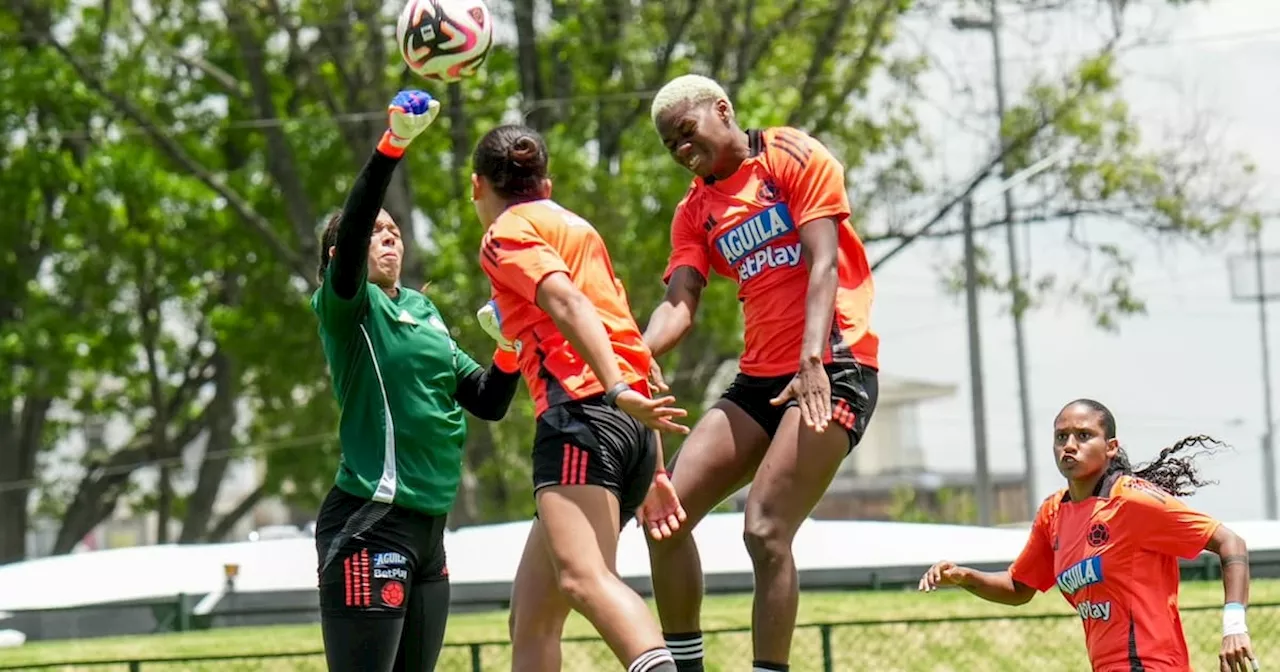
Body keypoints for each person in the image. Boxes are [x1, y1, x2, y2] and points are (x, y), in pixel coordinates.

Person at [641, 74, 881, 672]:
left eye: (686, 131)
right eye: (670, 143)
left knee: (764, 531)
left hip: (832, 365)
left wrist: (812, 360)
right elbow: (680, 303)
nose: (680, 149)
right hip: (760, 380)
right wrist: (631, 355)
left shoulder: (790, 154)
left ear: (721, 110)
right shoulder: (694, 210)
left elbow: (824, 261)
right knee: (664, 517)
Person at [311, 90, 521, 672]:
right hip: (370, 521)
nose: (388, 235)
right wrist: (392, 145)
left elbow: (487, 401)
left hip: (429, 529)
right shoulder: (350, 308)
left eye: (394, 229)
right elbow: (352, 230)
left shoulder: (425, 316)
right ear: (338, 257)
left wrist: (509, 349)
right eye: (376, 230)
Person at [471, 123, 688, 672]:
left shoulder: (505, 232)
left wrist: (613, 389)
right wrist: (655, 465)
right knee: (532, 616)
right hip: (626, 425)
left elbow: (568, 302)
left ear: (478, 186)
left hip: (583, 416)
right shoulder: (576, 226)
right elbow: (629, 334)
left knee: (585, 578)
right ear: (546, 183)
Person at [919, 399, 1258, 672]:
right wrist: (964, 577)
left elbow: (1230, 542)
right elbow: (1019, 587)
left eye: (1083, 436)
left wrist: (1234, 626)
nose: (1069, 445)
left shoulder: (1132, 500)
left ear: (1110, 447)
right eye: (1061, 436)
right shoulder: (1053, 513)